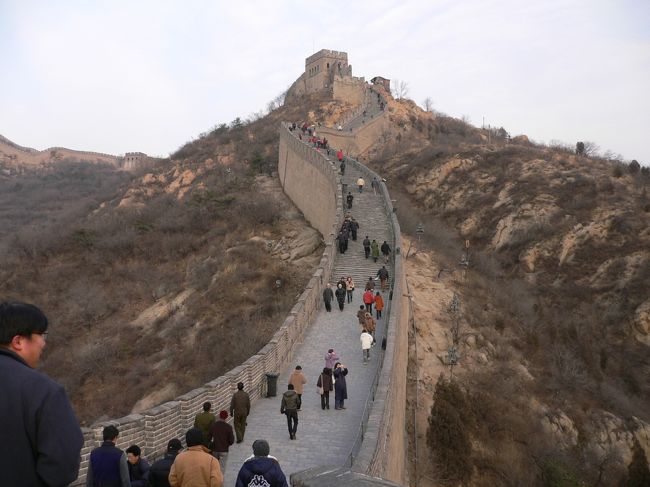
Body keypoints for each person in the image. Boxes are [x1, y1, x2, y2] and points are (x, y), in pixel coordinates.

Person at [0, 301, 84, 487]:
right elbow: (63, 462)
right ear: (18, 341)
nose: (44, 343)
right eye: (41, 334)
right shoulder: (42, 390)